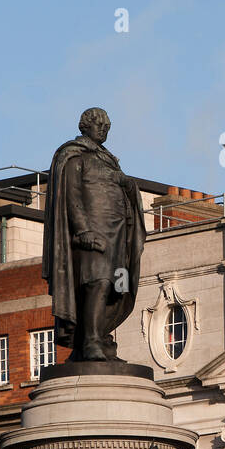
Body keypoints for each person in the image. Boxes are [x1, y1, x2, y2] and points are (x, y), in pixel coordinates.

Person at [42, 107, 146, 361]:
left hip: (119, 236)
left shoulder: (108, 160)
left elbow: (126, 189)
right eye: (99, 124)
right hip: (92, 237)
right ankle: (89, 341)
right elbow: (72, 197)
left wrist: (127, 185)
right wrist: (83, 230)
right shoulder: (75, 157)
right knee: (97, 283)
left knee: (118, 287)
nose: (104, 129)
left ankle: (101, 336)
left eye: (107, 126)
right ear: (85, 126)